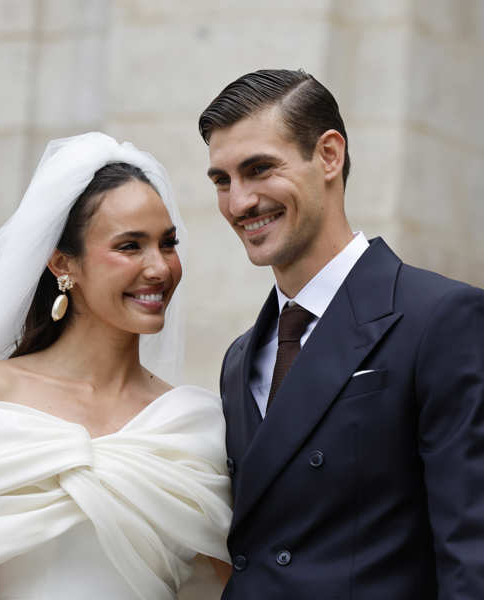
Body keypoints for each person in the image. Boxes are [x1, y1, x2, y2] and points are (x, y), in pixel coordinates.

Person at [0, 133, 232, 600]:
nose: (159, 268)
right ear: (63, 264)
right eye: (130, 246)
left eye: (167, 244)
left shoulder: (199, 422)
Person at [198, 69, 484, 599]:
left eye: (259, 169)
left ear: (329, 155)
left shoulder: (441, 318)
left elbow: (473, 555)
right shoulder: (240, 358)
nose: (239, 203)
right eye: (222, 180)